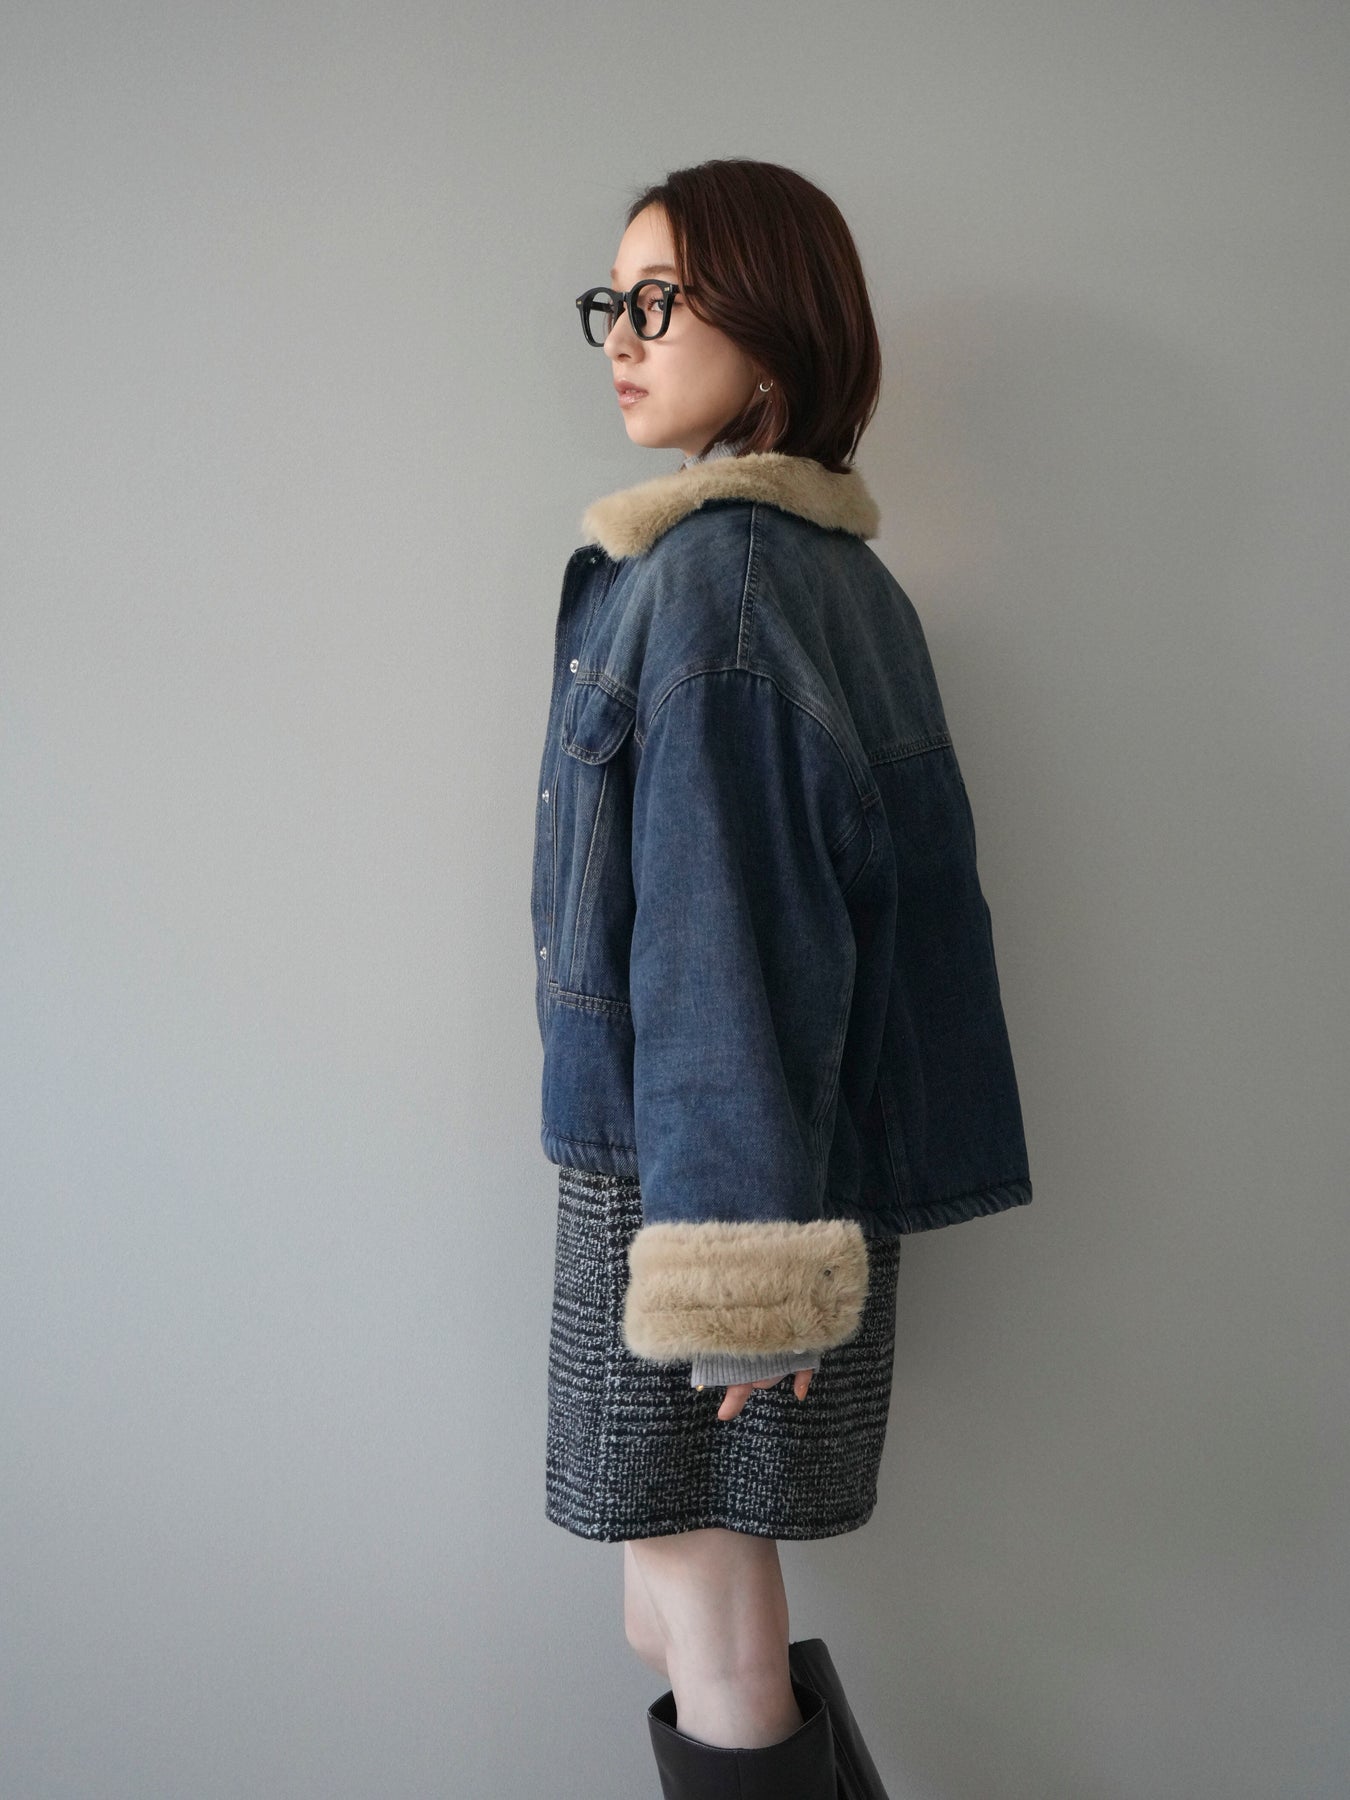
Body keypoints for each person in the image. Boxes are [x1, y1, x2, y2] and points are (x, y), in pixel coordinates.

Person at [532, 158, 1032, 1798]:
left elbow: (727, 934)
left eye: (660, 300)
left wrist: (741, 1262)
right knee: (675, 1607)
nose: (623, 337)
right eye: (612, 302)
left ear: (774, 330)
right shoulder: (822, 575)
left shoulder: (720, 584)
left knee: (707, 1621)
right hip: (744, 1164)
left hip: (703, 1190)